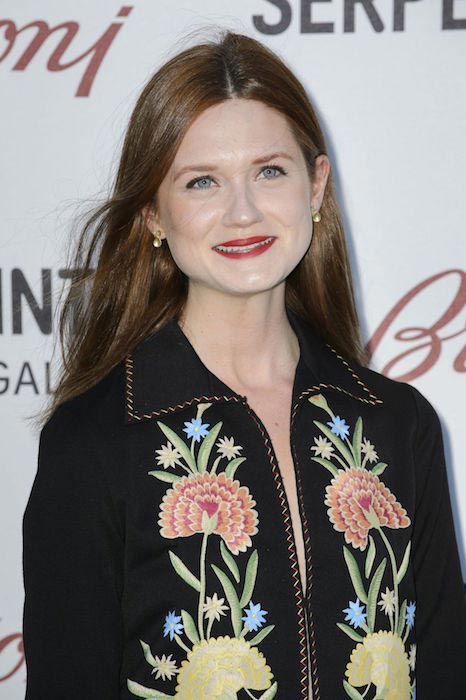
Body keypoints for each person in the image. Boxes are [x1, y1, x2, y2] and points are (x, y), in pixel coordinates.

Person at [22, 30, 465, 700]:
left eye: (270, 171)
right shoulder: (94, 444)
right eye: (202, 181)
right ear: (152, 214)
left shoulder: (398, 423)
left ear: (315, 187)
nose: (243, 211)